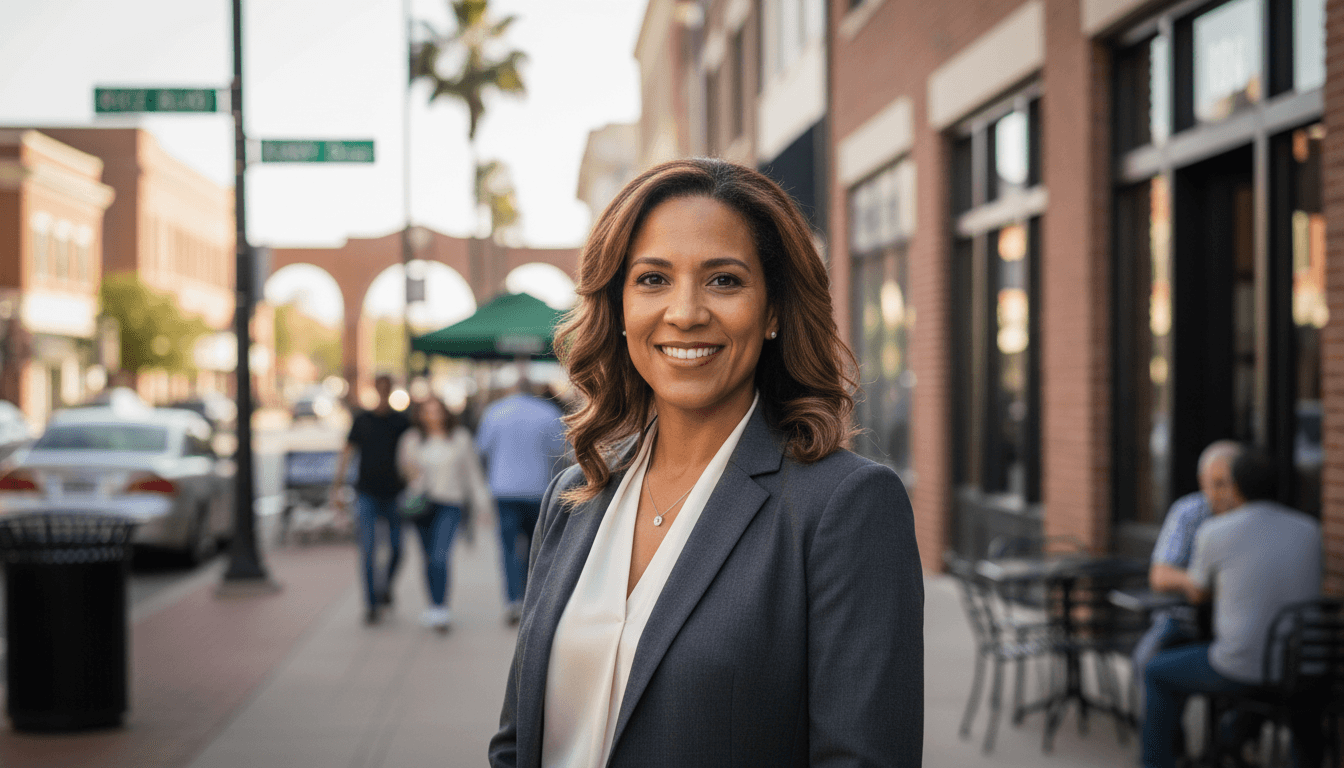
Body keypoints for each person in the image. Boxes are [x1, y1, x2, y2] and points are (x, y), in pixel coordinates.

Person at [488, 159, 924, 767]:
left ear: (773, 310)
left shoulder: (845, 507)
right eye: (652, 279)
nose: (686, 312)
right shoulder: (574, 497)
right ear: (618, 306)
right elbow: (516, 743)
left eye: (723, 280)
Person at [1141, 447, 1322, 768]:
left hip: (1242, 666)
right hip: (1304, 668)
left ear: (1236, 487)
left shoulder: (1216, 531)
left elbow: (1198, 593)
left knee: (1156, 671)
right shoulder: (1310, 529)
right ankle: (1233, 742)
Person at [1131, 440, 1240, 715]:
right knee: (1146, 661)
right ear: (1202, 482)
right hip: (1186, 617)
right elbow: (1160, 576)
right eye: (1215, 484)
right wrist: (1198, 583)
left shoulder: (1252, 519)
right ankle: (1166, 736)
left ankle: (1232, 734)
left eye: (1229, 483)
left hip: (1237, 622)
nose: (1223, 493)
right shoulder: (1190, 512)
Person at [397, 396, 492, 632]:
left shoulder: (460, 438)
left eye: (437, 411)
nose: (433, 416)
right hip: (422, 505)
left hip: (450, 503)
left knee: (440, 556)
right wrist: (413, 473)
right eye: (427, 411)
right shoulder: (411, 439)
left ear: (445, 413)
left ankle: (441, 608)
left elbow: (473, 473)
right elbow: (403, 470)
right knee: (427, 557)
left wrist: (483, 505)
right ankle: (433, 604)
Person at [475, 378, 567, 624]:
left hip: (504, 490)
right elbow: (560, 451)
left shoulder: (494, 412)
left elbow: (482, 449)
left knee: (508, 547)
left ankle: (512, 600)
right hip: (539, 489)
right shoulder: (549, 412)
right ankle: (531, 598)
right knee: (536, 547)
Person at [333, 374, 411, 625]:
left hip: (395, 494)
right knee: (368, 550)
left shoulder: (401, 422)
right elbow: (347, 452)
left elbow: (411, 454)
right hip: (366, 493)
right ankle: (371, 604)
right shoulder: (362, 420)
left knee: (398, 549)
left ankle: (384, 586)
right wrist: (337, 487)